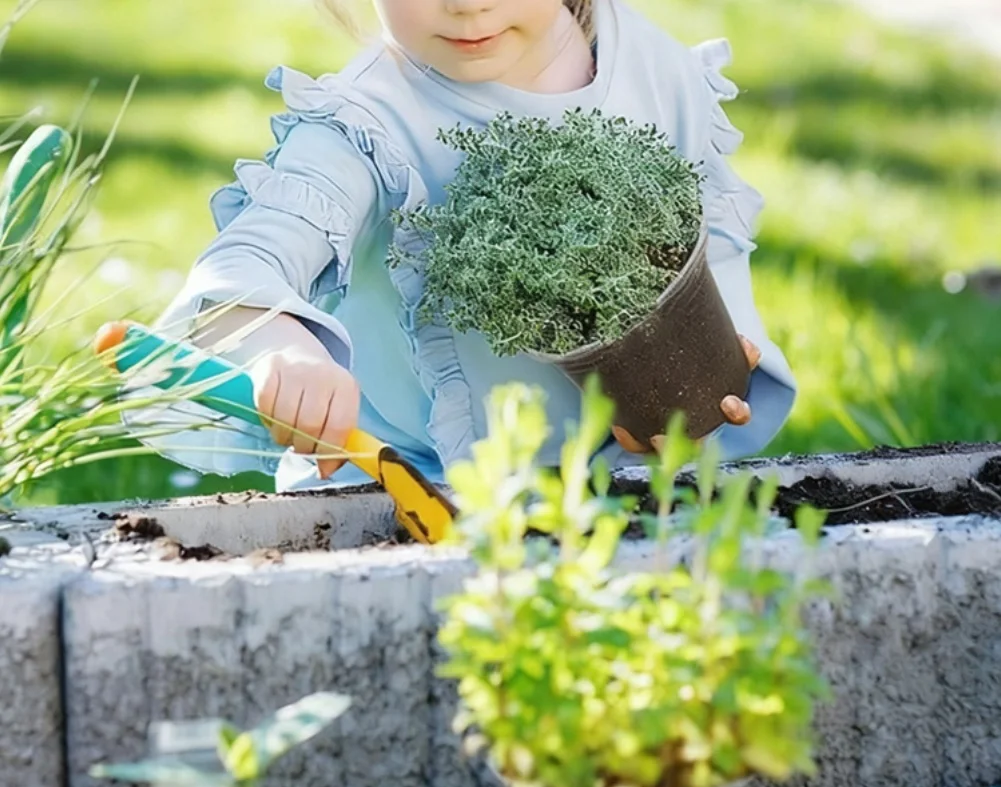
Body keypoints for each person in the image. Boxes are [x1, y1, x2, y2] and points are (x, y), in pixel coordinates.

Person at [109, 0, 795, 490]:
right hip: (398, 497)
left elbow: (710, 265)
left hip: (609, 494)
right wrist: (280, 347)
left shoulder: (656, 77)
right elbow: (242, 270)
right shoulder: (369, 124)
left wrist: (688, 394)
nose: (466, 6)